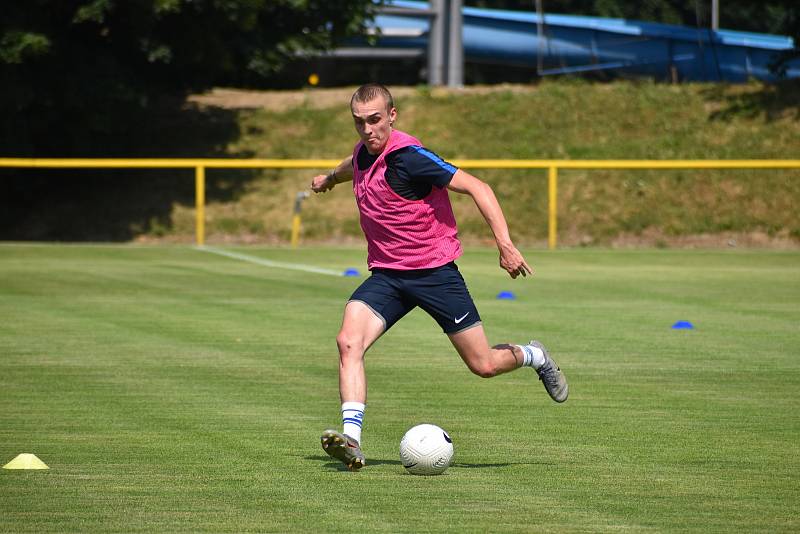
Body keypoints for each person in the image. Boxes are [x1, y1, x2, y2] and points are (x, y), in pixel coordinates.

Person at [310, 83, 568, 471]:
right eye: (359, 122)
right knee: (348, 341)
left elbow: (478, 187)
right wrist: (329, 178)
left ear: (392, 116)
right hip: (388, 276)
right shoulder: (364, 152)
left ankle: (534, 355)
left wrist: (506, 245)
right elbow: (353, 163)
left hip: (434, 274)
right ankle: (352, 440)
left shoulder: (411, 158)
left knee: (483, 364)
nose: (367, 130)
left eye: (375, 120)